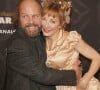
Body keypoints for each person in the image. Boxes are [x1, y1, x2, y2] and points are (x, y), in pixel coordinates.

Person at [5, 0, 78, 90]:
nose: (31, 21)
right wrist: (73, 74)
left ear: (42, 16)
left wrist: (72, 60)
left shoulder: (44, 35)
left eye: (35, 16)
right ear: (18, 18)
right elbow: (41, 74)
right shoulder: (17, 45)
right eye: (25, 16)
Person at [41, 0, 100, 90]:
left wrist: (85, 81)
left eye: (52, 21)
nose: (46, 25)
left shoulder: (70, 39)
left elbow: (97, 58)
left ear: (61, 24)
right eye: (44, 19)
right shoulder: (39, 41)